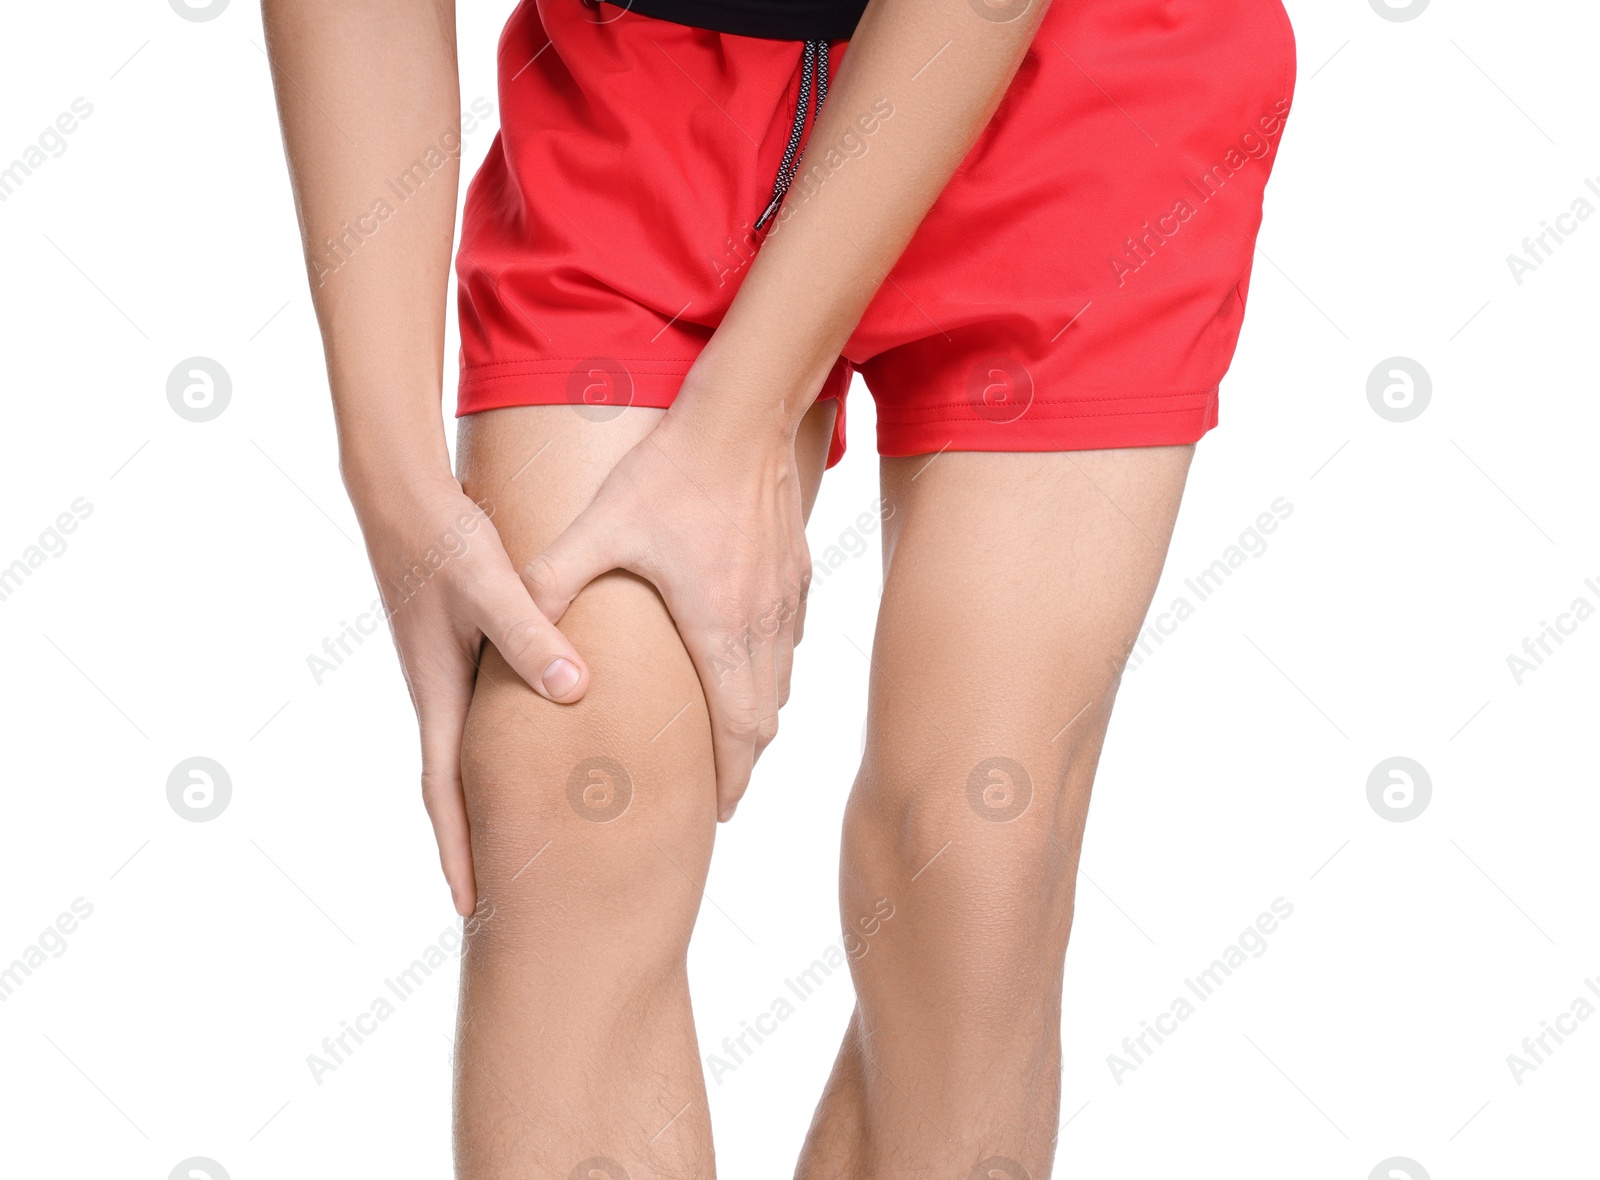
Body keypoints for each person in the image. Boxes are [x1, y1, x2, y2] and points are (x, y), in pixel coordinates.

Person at [264, 0, 1294, 1172]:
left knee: (969, 849)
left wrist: (735, 424)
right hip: (647, 87)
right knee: (562, 782)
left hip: (1075, 81)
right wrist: (394, 485)